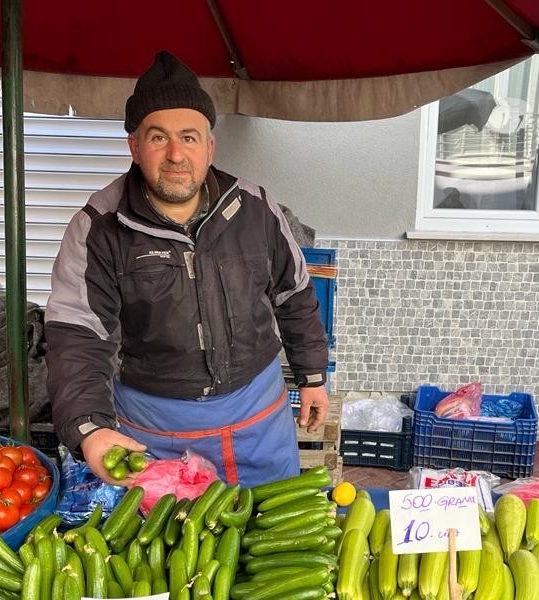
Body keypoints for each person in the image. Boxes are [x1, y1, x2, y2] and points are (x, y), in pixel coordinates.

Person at [44, 50, 330, 486]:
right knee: (169, 549)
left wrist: (311, 375)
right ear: (135, 147)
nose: (176, 154)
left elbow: (294, 294)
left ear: (209, 146)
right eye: (158, 137)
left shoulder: (255, 207)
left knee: (268, 540)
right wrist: (90, 427)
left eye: (190, 137)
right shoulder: (98, 228)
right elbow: (78, 335)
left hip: (258, 420)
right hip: (155, 430)